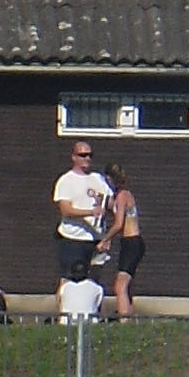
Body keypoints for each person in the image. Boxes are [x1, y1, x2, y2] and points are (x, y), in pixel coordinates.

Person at [53, 135, 111, 317]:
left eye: (90, 155)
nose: (87, 159)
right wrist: (90, 212)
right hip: (72, 239)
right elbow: (66, 210)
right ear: (74, 157)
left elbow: (110, 202)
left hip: (95, 240)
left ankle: (92, 315)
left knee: (95, 279)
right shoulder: (66, 181)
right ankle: (63, 317)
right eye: (82, 155)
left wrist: (107, 235)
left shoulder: (97, 179)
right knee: (68, 281)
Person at [105, 161, 143, 321]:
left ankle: (124, 321)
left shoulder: (122, 196)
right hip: (131, 242)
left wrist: (105, 239)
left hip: (131, 242)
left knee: (120, 285)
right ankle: (127, 314)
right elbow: (113, 208)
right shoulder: (125, 195)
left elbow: (119, 223)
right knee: (127, 284)